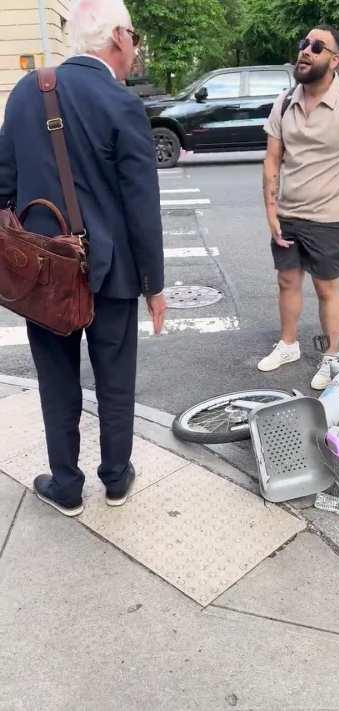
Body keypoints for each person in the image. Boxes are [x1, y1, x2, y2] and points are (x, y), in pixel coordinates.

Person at [0, 0, 166, 516]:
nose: (135, 46)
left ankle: (66, 485)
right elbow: (142, 206)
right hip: (111, 271)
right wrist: (154, 285)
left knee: (56, 379)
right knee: (116, 380)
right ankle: (116, 479)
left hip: (45, 271)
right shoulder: (121, 104)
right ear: (118, 36)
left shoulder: (27, 92)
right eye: (133, 36)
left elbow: (5, 186)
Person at [259, 25, 339, 389]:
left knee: (326, 289)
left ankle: (331, 357)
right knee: (287, 282)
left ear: (335, 60)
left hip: (330, 218)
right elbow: (271, 159)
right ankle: (289, 344)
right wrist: (270, 212)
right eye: (303, 44)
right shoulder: (285, 101)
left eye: (316, 46)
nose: (306, 51)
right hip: (288, 216)